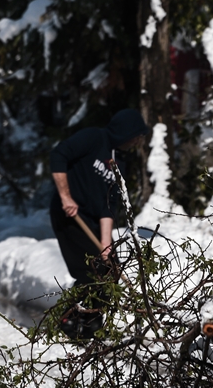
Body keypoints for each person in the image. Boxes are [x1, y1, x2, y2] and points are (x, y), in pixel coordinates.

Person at [49, 108, 149, 339]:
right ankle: (67, 318)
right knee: (90, 271)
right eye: (137, 136)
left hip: (94, 220)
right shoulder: (94, 137)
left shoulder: (120, 162)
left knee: (110, 268)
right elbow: (58, 156)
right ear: (127, 132)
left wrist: (107, 242)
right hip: (69, 214)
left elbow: (109, 205)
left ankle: (91, 321)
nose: (138, 142)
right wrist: (66, 197)